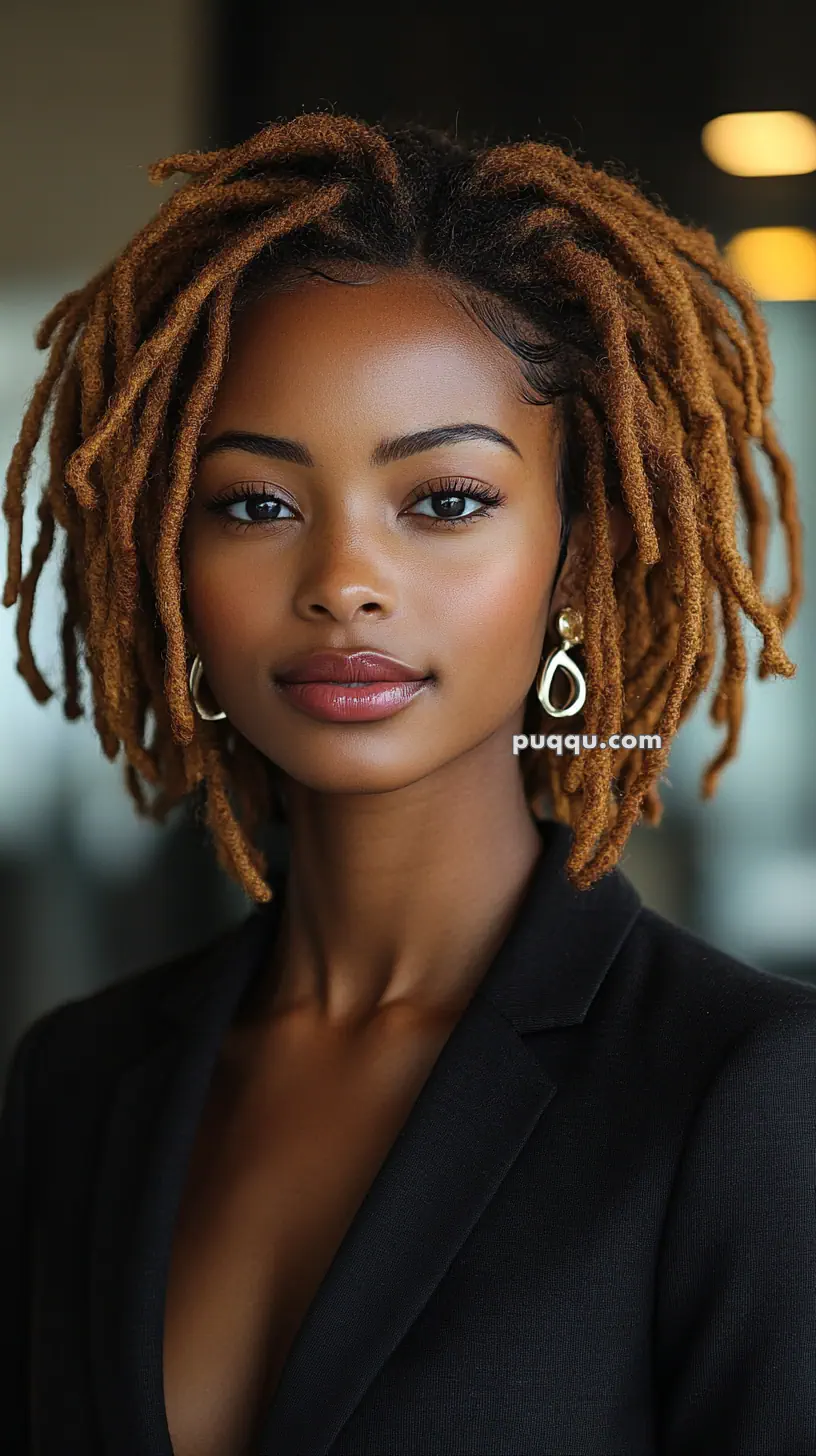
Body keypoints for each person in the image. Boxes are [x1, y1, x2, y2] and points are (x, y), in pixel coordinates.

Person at [1, 111, 814, 1456]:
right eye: (255, 505)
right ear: (164, 552)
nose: (341, 581)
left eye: (443, 499)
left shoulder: (744, 1092)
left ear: (579, 551)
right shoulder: (80, 1082)